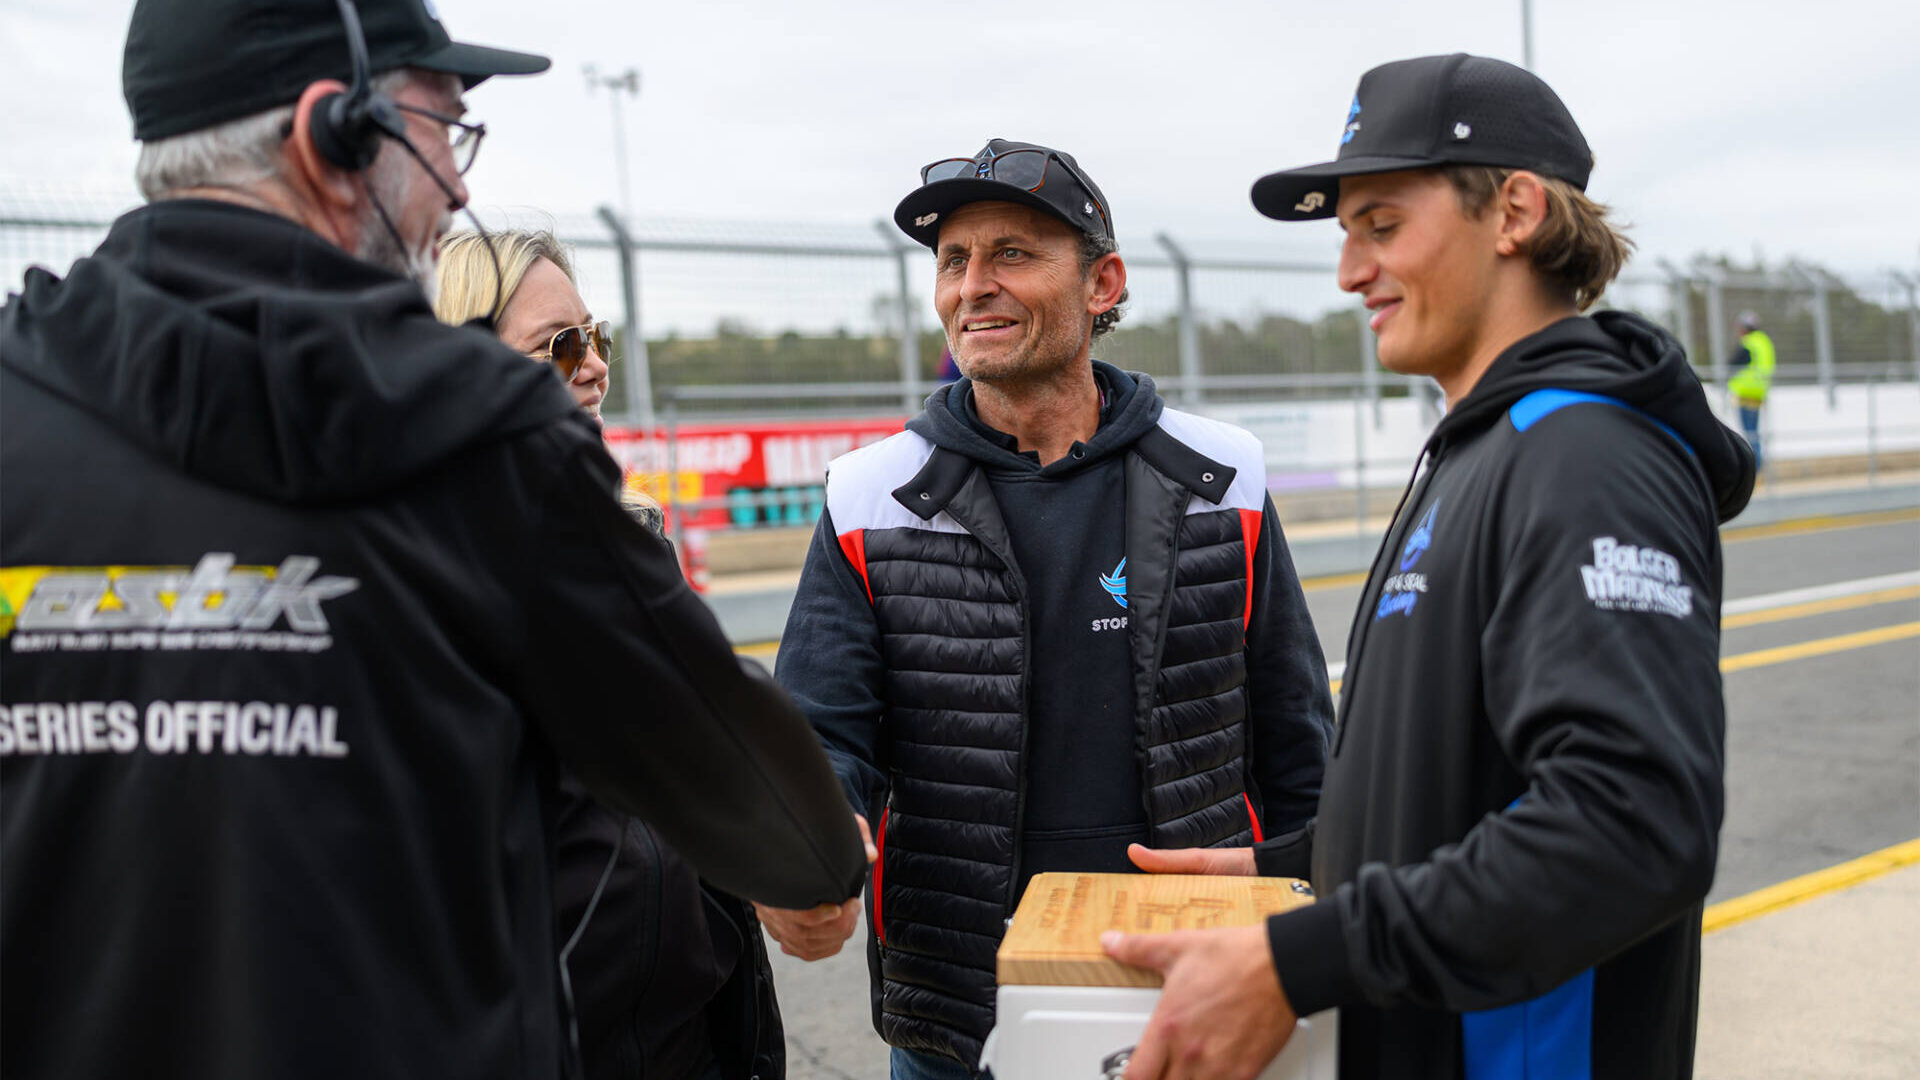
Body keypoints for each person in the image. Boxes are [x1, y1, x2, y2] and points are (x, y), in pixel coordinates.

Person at [0, 3, 865, 1079]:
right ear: (331, 133)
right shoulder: (483, 438)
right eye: (444, 131)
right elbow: (792, 832)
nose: (456, 188)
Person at [1104, 54, 1757, 1080]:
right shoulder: (1484, 444)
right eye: (1346, 234)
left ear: (1515, 213)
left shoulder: (1584, 457)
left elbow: (1632, 826)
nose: (1348, 271)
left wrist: (1300, 960)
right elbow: (1467, 788)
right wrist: (1296, 869)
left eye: (1381, 225)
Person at [767, 138, 1335, 1078]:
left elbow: (1296, 736)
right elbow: (824, 734)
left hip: (1195, 988)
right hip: (961, 1007)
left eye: (1013, 254)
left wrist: (1315, 931)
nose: (973, 286)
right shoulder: (870, 494)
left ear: (1103, 282)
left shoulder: (1221, 474)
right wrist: (807, 855)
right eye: (954, 260)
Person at [437, 228, 787, 1080]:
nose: (594, 366)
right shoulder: (413, 579)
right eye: (559, 346)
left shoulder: (633, 543)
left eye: (594, 337)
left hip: (688, 1028)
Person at [1727, 310, 1775, 471]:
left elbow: (1732, 363)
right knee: (1754, 433)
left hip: (1746, 393)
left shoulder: (1749, 343)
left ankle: (1756, 467)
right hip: (1759, 393)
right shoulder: (1764, 342)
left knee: (1750, 434)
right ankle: (1758, 466)